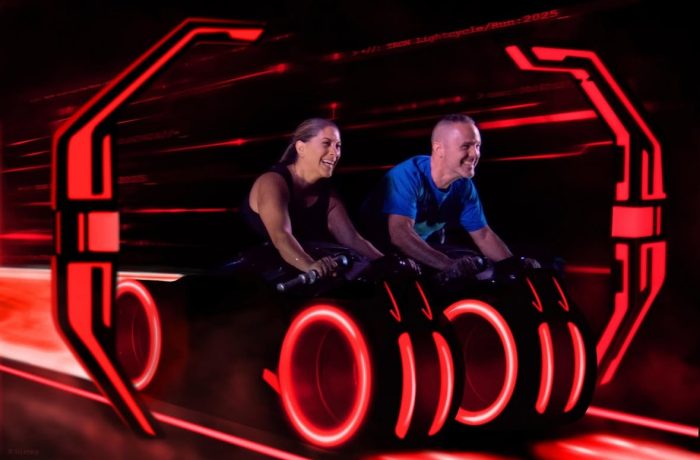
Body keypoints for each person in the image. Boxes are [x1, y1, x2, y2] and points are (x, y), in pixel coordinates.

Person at [361, 113, 538, 278]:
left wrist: (514, 265)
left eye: (477, 146)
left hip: (414, 252)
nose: (475, 154)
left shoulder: (463, 186)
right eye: (466, 146)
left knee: (476, 263)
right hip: (373, 253)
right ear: (439, 149)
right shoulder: (407, 175)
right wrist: (449, 265)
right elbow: (400, 235)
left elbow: (483, 235)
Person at [242, 118, 383, 278]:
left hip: (289, 277)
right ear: (301, 148)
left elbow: (352, 239)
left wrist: (388, 262)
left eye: (338, 146)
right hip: (247, 276)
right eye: (326, 143)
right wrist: (310, 265)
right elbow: (281, 236)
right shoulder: (272, 182)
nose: (335, 153)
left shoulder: (329, 197)